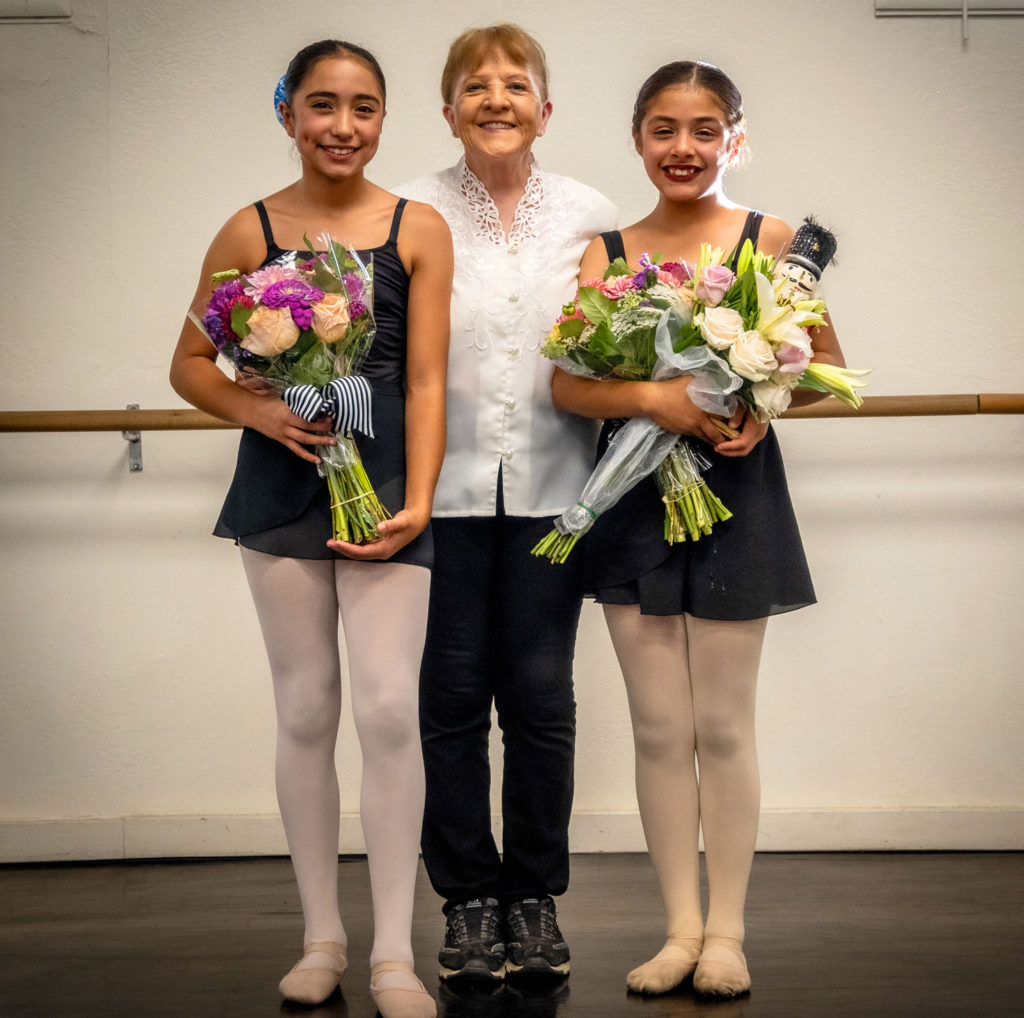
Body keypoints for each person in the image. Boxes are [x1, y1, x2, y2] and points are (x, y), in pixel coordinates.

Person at [551, 60, 847, 998]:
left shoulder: (774, 240)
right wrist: (658, 399)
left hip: (734, 489)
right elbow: (567, 383)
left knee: (721, 724)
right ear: (638, 138)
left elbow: (821, 365)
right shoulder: (607, 249)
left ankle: (728, 932)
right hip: (631, 498)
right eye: (663, 129)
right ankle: (678, 927)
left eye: (704, 129)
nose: (683, 148)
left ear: (734, 136)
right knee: (654, 726)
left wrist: (762, 401)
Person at [169, 39, 452, 1017]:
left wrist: (417, 498)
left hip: (387, 491)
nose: (343, 125)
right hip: (283, 485)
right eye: (323, 104)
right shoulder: (247, 229)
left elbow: (421, 379)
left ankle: (391, 954)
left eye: (363, 107)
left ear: (382, 119)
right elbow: (192, 365)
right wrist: (262, 413)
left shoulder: (419, 229)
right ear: (287, 113)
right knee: (304, 709)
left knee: (385, 710)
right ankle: (321, 936)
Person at [396, 24, 616, 983]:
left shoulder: (588, 214)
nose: (495, 100)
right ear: (447, 109)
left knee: (538, 697)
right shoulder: (409, 209)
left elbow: (611, 345)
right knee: (446, 698)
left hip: (555, 494)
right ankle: (467, 902)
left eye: (514, 86)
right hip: (434, 495)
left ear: (545, 109)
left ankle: (534, 897)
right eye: (474, 87)